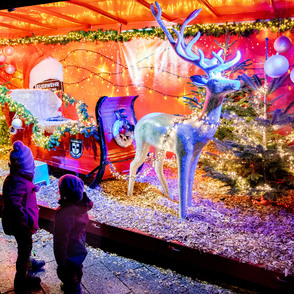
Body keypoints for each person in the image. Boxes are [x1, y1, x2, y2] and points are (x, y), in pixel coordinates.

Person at [1, 141, 45, 290]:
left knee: (26, 246)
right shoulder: (19, 182)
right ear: (27, 165)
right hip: (21, 225)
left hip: (18, 223)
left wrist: (33, 187)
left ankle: (29, 262)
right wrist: (25, 218)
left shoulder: (16, 178)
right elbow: (14, 202)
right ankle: (21, 279)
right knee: (24, 247)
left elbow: (19, 189)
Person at [54, 174, 93, 294]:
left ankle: (73, 289)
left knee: (69, 274)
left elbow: (61, 240)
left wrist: (61, 260)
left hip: (69, 251)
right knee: (77, 268)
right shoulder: (81, 207)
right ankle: (74, 285)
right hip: (79, 245)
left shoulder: (65, 214)